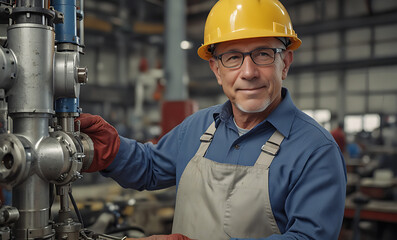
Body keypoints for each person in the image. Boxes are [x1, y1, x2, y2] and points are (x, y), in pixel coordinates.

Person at [78, 0, 347, 239]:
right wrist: (109, 150)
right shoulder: (198, 126)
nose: (249, 72)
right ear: (217, 70)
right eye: (232, 58)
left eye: (263, 54)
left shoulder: (316, 150)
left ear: (285, 63)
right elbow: (150, 167)